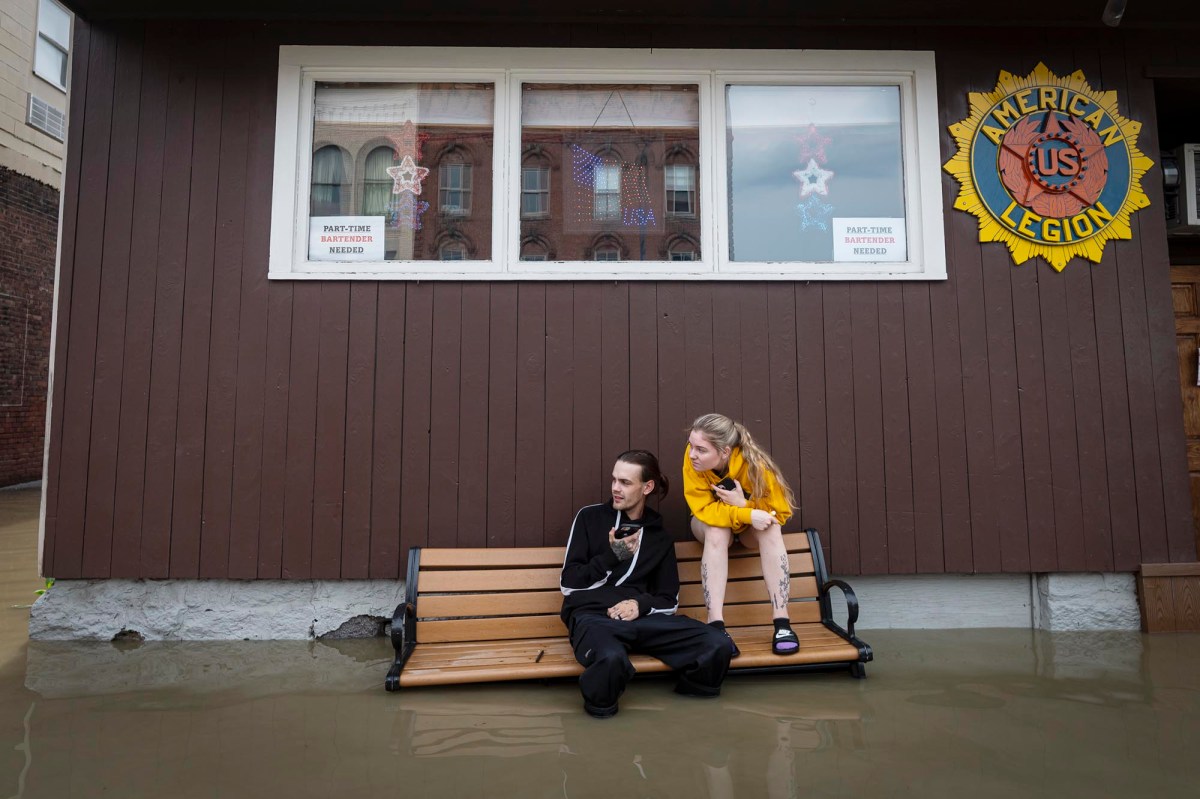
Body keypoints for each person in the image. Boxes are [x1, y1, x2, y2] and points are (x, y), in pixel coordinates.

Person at [560, 449, 734, 718]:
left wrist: (638, 604)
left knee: (716, 645)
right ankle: (601, 722)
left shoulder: (659, 537)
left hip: (643, 621)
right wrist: (613, 556)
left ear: (647, 487)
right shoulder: (589, 518)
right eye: (614, 480)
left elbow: (668, 599)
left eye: (626, 483)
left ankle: (685, 714)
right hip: (595, 618)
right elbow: (570, 585)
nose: (616, 488)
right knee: (610, 660)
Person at [683, 413, 799, 657]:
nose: (692, 454)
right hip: (710, 526)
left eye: (701, 450)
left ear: (724, 452)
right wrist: (745, 513)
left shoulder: (754, 464)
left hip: (747, 533)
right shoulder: (691, 460)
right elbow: (703, 509)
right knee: (717, 529)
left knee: (771, 527)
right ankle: (715, 624)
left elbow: (780, 511)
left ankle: (782, 623)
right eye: (691, 445)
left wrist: (745, 505)